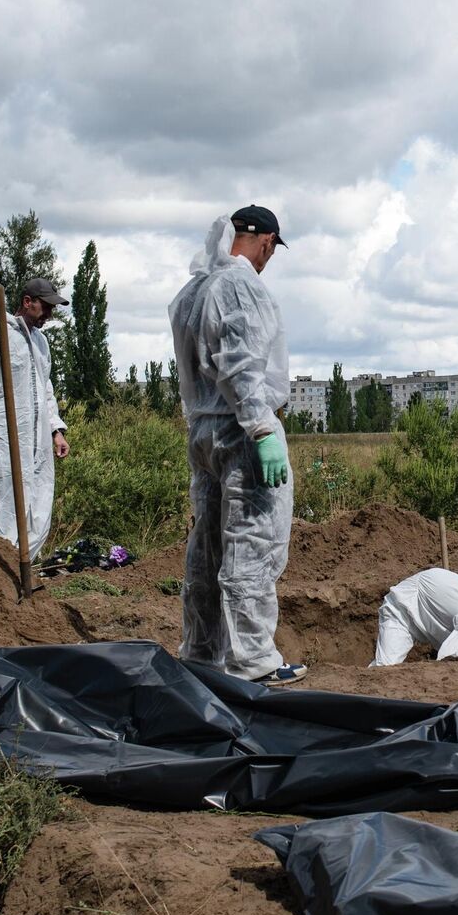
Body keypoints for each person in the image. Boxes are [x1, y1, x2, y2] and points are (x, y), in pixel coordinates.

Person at [168, 205, 307, 684]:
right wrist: (264, 429)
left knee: (207, 548)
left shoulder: (194, 290)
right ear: (267, 242)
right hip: (242, 432)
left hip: (204, 430)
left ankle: (202, 654)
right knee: (252, 543)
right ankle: (254, 662)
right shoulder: (240, 286)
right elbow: (241, 367)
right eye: (272, 250)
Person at [0, 276, 70, 561]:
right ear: (27, 302)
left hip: (37, 438)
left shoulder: (41, 343)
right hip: (3, 436)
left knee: (38, 505)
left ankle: (22, 570)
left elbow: (45, 389)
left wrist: (56, 430)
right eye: (45, 307)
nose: (49, 315)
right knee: (5, 505)